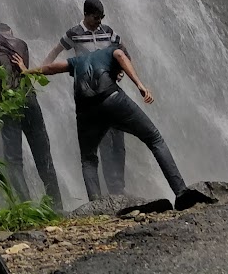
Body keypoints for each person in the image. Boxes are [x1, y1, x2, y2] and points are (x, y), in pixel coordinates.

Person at [16, 41, 209, 210]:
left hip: (86, 111)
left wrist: (26, 71)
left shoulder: (79, 60)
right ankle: (181, 192)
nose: (120, 75)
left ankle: (96, 207)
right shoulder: (114, 51)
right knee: (154, 138)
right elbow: (119, 55)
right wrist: (140, 85)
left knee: (89, 160)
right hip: (112, 99)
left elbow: (52, 68)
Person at [43, 0, 125, 195]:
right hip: (91, 96)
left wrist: (120, 68)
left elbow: (120, 50)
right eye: (96, 17)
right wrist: (43, 69)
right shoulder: (74, 33)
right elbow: (57, 50)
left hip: (112, 90)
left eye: (102, 17)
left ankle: (120, 187)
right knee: (105, 141)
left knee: (119, 143)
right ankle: (115, 191)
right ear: (86, 15)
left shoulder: (108, 32)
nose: (99, 21)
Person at [0, 23, 63, 210]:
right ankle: (57, 207)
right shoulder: (22, 44)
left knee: (14, 161)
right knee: (44, 156)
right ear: (11, 33)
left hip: (9, 104)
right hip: (29, 100)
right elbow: (20, 75)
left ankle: (27, 208)